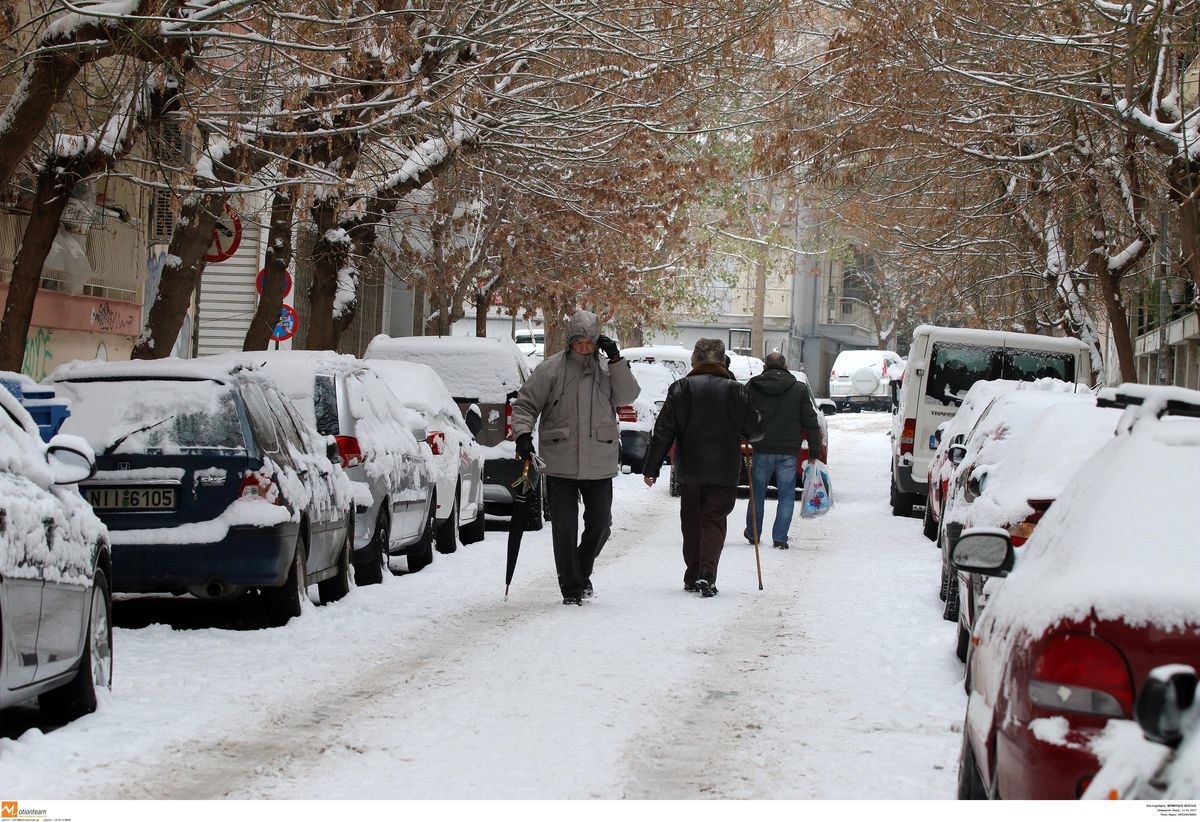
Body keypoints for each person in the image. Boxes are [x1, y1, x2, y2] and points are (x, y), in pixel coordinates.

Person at [510, 310, 640, 606]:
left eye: (589, 343)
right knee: (564, 528)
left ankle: (580, 570)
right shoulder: (551, 369)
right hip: (560, 459)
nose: (583, 348)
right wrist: (522, 435)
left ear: (597, 342)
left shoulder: (608, 370)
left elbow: (629, 395)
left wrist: (617, 359)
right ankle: (571, 587)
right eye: (578, 343)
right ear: (569, 342)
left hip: (599, 459)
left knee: (601, 525)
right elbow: (525, 405)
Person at [642, 338, 764, 598]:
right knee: (714, 520)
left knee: (691, 522)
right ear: (722, 361)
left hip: (691, 468)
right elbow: (756, 432)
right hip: (724, 469)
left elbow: (663, 431)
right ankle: (707, 573)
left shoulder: (681, 388)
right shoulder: (737, 391)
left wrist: (652, 467)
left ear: (695, 360)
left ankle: (692, 574)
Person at [744, 352, 823, 550]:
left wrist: (742, 436)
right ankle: (780, 537)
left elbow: (741, 415)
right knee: (787, 495)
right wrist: (814, 451)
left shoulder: (752, 387)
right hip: (789, 450)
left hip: (761, 448)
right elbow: (811, 421)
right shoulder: (798, 389)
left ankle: (753, 532)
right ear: (785, 366)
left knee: (758, 493)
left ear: (764, 367)